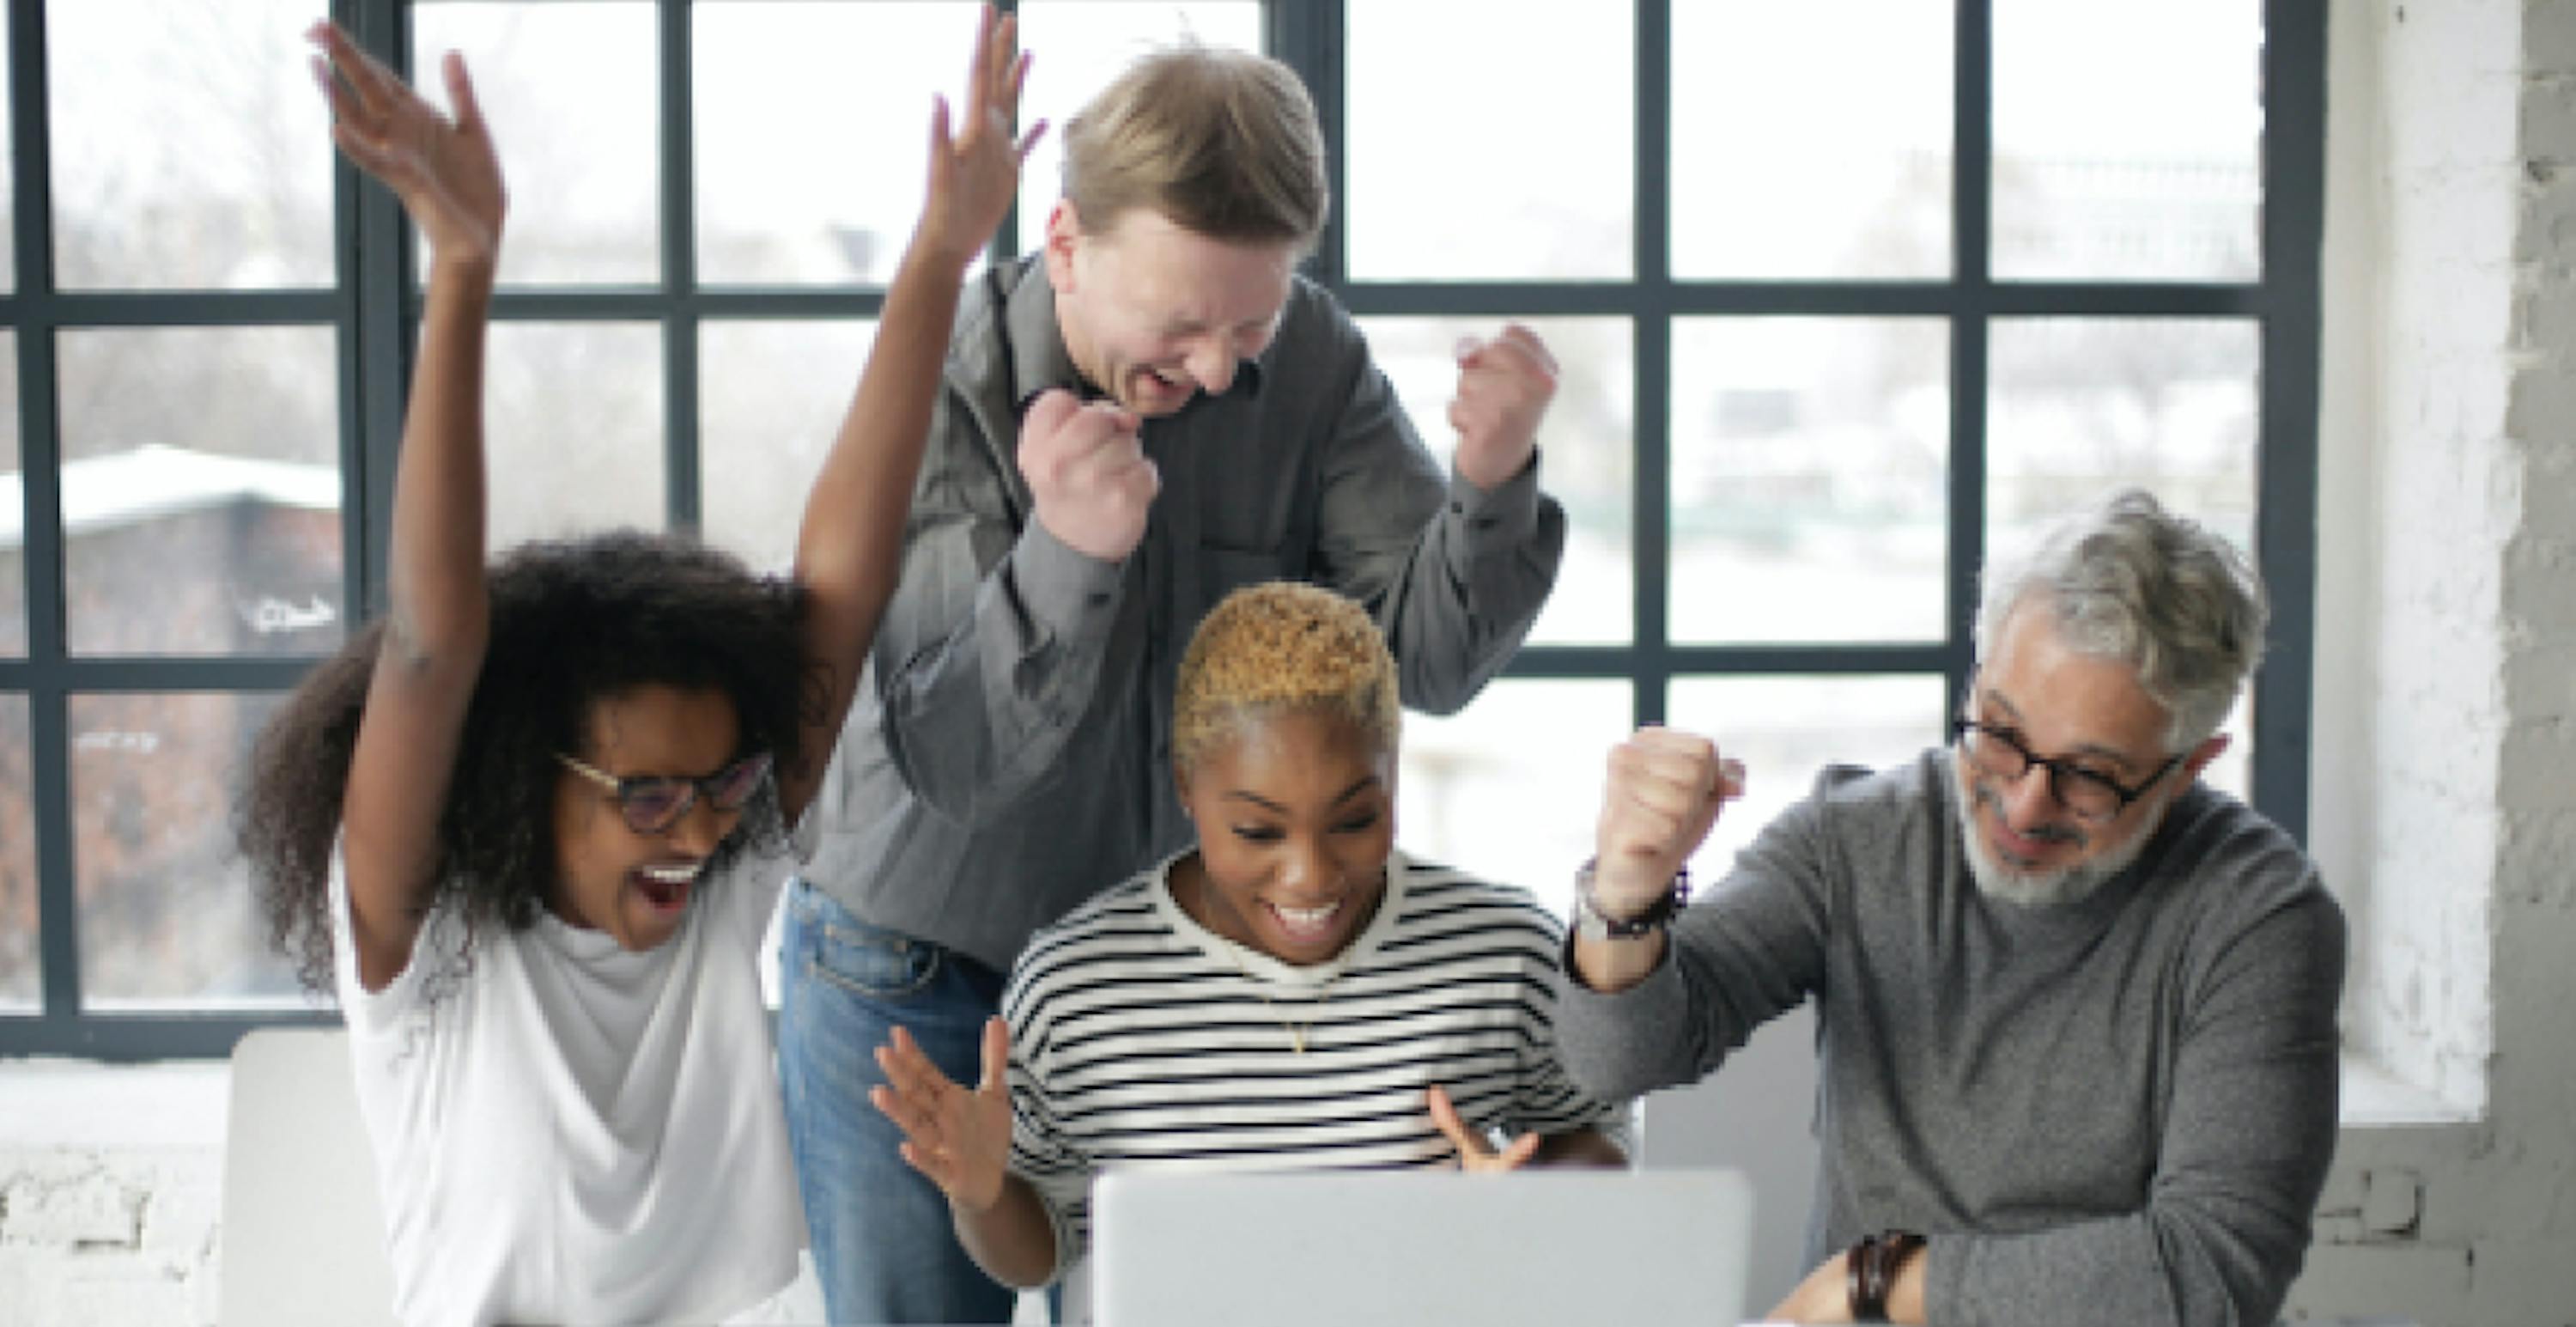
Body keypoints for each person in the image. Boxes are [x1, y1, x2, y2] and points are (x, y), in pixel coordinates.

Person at [236, 14, 1037, 1324]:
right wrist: (462, 269)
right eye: (650, 794)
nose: (705, 824)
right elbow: (435, 643)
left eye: (721, 781)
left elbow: (841, 577)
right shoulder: (430, 946)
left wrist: (942, 253)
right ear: (521, 783)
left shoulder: (716, 884)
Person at [780, 39, 1570, 1325]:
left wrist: (1489, 485)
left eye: (1248, 319)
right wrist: (1071, 552)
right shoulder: (947, 380)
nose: (1217, 369)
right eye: (1182, 323)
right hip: (918, 966)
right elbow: (955, 759)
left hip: (1153, 986)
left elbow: (1423, 661)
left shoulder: (1307, 360)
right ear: (1068, 242)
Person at [1561, 490, 2347, 1326]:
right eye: (2000, 733)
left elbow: (2211, 1273)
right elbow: (1620, 1061)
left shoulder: (2256, 914)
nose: (2024, 803)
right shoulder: (1858, 837)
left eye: (2089, 774)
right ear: (1979, 679)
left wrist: (1873, 1283)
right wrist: (1625, 894)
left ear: (2190, 766)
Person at [867, 580, 1629, 1319]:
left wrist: (1536, 1207)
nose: (1311, 875)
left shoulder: (1502, 952)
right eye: (1259, 831)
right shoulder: (1077, 986)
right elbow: (1045, 1251)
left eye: (1355, 820)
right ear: (1186, 786)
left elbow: (1595, 1143)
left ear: (1394, 778)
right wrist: (985, 1195)